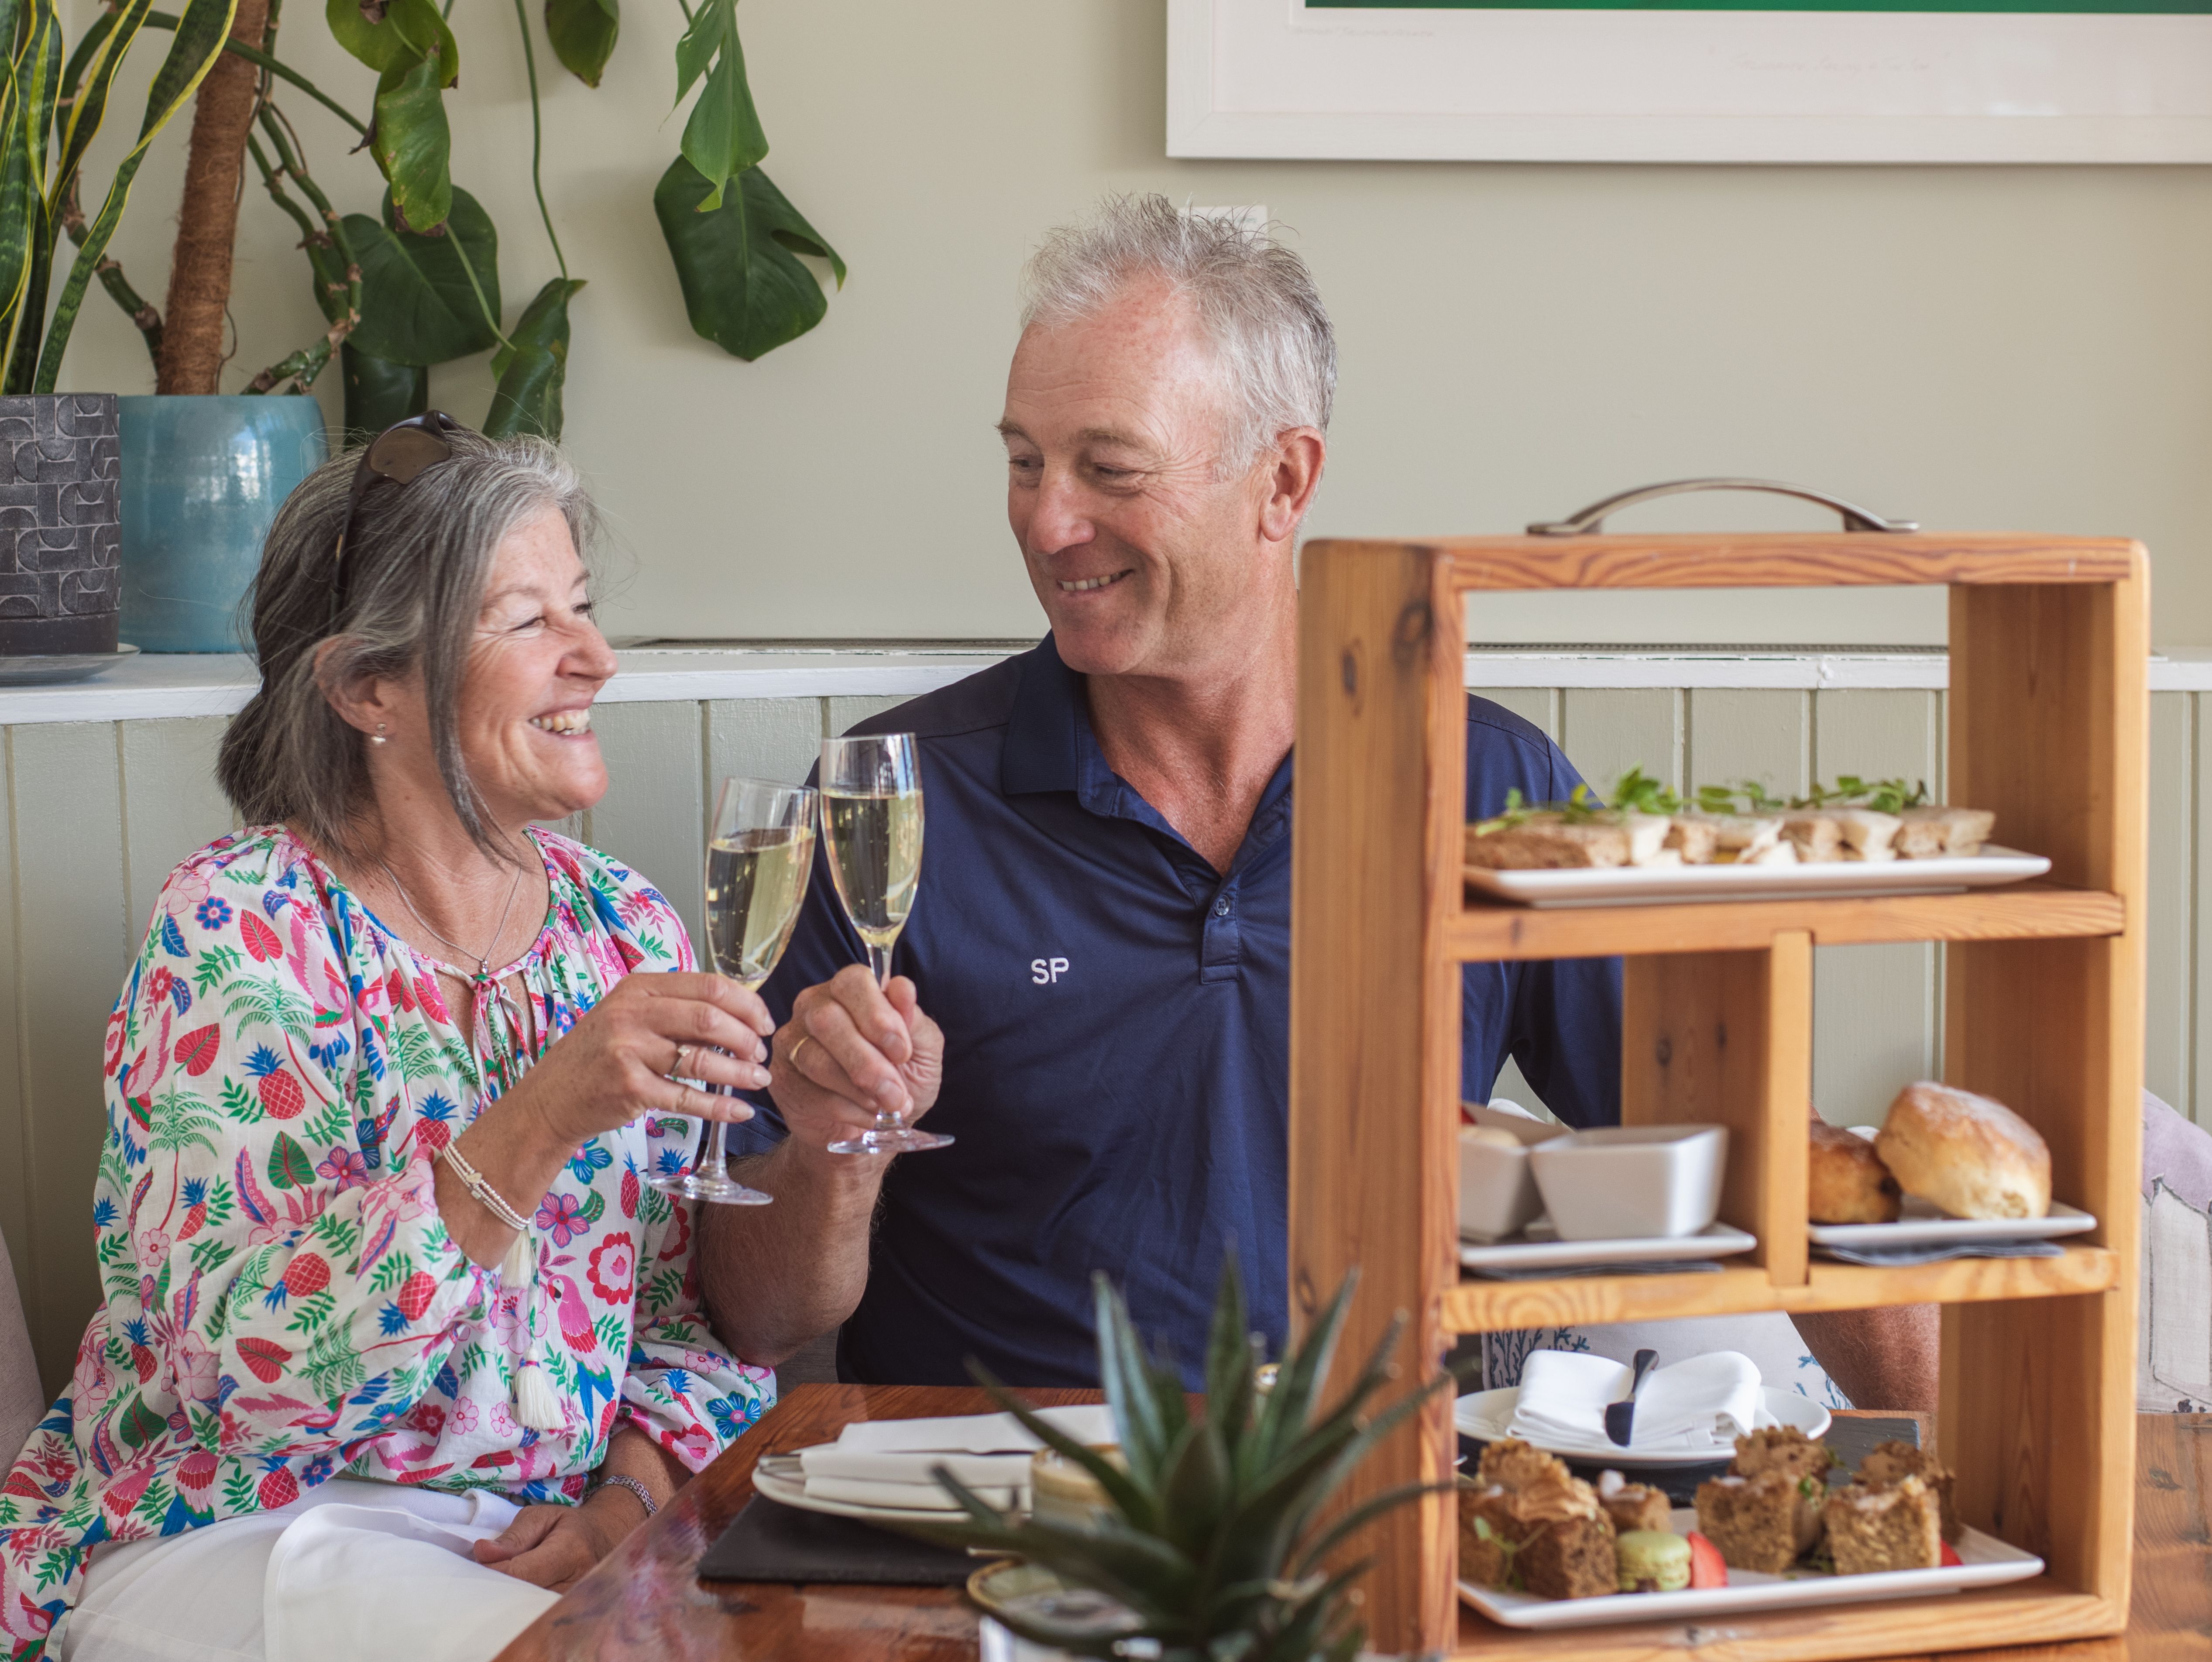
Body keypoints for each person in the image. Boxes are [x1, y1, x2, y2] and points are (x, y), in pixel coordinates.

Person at [697, 196, 1625, 1389]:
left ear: (1281, 484)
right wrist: (831, 1157)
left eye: (1108, 468)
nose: (1046, 520)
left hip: (1372, 1507)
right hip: (983, 1521)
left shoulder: (1493, 787)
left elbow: (1738, 1160)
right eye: (1023, 463)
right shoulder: (886, 801)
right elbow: (758, 1317)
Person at [0, 424, 777, 1662]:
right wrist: (544, 1113)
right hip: (244, 1527)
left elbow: (681, 1323)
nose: (596, 657)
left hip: (541, 1534)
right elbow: (250, 1380)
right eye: (528, 622)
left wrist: (621, 1505)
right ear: (369, 689)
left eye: (580, 607)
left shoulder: (623, 928)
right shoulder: (242, 927)